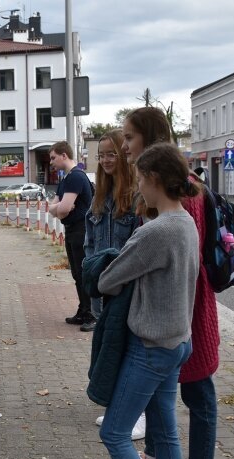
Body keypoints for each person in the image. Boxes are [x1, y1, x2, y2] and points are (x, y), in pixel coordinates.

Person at [98, 142, 200, 459]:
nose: (137, 186)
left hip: (151, 347)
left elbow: (107, 281)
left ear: (155, 179)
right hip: (178, 342)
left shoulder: (155, 232)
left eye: (140, 178)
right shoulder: (186, 221)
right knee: (166, 431)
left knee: (114, 433)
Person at [83, 129, 146, 441]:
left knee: (130, 349)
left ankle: (138, 415)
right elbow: (89, 244)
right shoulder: (99, 197)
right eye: (101, 155)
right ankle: (117, 407)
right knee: (110, 348)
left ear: (123, 155)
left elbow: (140, 248)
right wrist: (92, 279)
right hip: (104, 287)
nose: (106, 160)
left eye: (111, 154)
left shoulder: (136, 197)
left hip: (128, 289)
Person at [48, 141, 93, 326]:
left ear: (64, 155)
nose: (51, 162)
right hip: (72, 230)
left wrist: (59, 208)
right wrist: (59, 208)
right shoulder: (66, 179)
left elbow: (62, 209)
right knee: (76, 273)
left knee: (83, 273)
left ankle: (90, 313)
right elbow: (53, 208)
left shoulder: (75, 177)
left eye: (53, 157)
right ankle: (83, 310)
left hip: (81, 230)